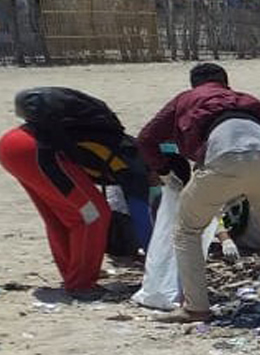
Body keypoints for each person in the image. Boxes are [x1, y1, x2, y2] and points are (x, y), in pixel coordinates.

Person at [137, 62, 260, 322]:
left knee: (187, 229)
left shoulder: (187, 98)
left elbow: (146, 138)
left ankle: (196, 307)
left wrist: (163, 169)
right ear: (226, 81)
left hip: (223, 157)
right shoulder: (248, 100)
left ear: (194, 84)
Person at [2, 88, 153, 294]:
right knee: (93, 215)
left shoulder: (123, 146)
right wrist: (154, 257)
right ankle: (81, 284)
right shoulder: (135, 165)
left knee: (59, 216)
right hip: (38, 151)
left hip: (13, 143)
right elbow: (140, 214)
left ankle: (73, 273)